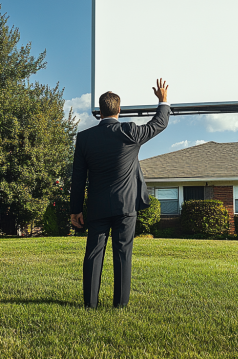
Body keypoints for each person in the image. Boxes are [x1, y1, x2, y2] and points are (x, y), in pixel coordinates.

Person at [70, 78, 171, 309]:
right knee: (123, 254)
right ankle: (120, 305)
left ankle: (90, 304)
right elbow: (158, 123)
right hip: (126, 207)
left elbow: (78, 178)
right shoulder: (130, 131)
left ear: (100, 111)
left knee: (93, 254)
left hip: (96, 207)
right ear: (119, 109)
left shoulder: (84, 138)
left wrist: (75, 210)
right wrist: (163, 101)